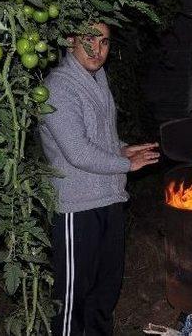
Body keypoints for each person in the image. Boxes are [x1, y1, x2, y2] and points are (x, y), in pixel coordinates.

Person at [39, 22, 160, 336]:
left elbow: (98, 141)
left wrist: (123, 149)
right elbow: (77, 151)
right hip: (76, 207)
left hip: (109, 199)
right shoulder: (59, 87)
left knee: (104, 293)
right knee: (72, 299)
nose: (98, 50)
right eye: (88, 40)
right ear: (70, 41)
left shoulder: (97, 80)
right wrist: (125, 163)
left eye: (104, 42)